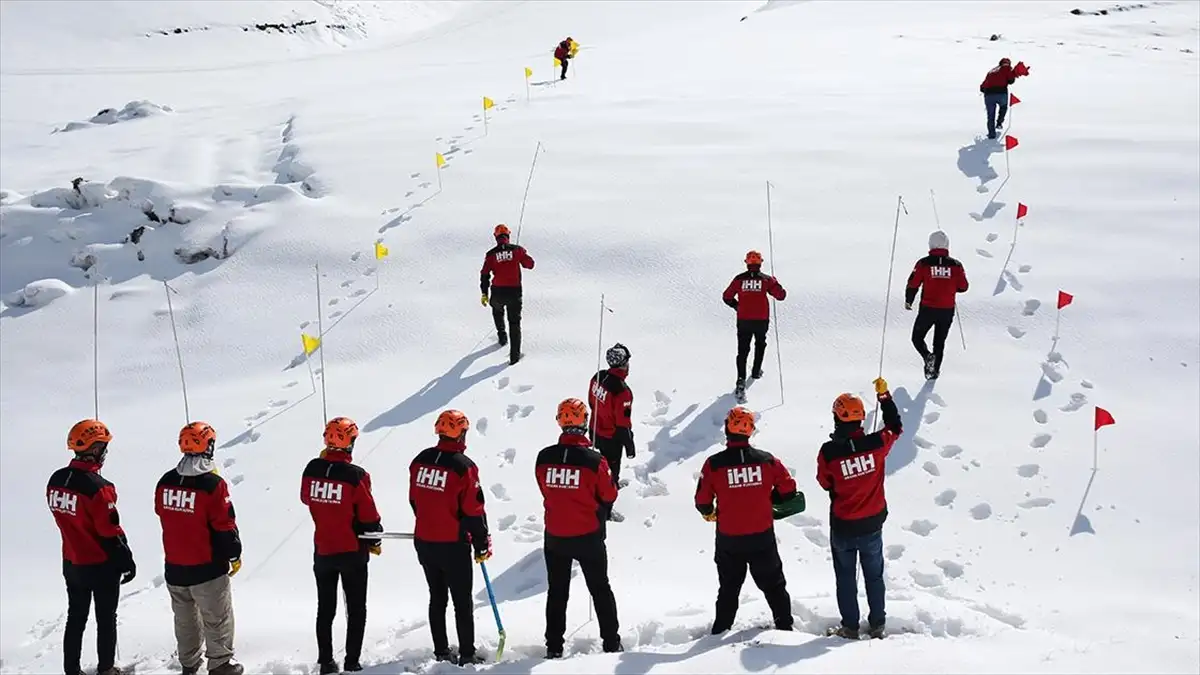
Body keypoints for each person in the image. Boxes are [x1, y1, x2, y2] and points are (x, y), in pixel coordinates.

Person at [694, 407, 796, 635]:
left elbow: (702, 501)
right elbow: (789, 489)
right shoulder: (767, 461)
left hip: (729, 538)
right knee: (774, 586)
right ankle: (785, 628)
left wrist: (709, 511)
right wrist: (772, 497)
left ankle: (720, 632)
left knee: (729, 588)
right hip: (761, 535)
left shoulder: (714, 464)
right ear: (750, 431)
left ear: (727, 429)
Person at [47, 419, 137, 675]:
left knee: (75, 618)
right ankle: (106, 668)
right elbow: (110, 530)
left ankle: (71, 670)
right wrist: (126, 560)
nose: (105, 452)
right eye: (104, 447)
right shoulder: (99, 488)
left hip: (71, 561)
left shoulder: (56, 480)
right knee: (106, 619)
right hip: (100, 564)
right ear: (95, 449)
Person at [535, 399, 623, 658]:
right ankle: (610, 642)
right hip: (588, 534)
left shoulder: (544, 457)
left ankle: (553, 647)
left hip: (555, 535)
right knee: (600, 588)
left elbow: (544, 488)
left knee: (557, 591)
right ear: (584, 423)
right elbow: (608, 494)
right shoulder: (595, 460)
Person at [816, 379, 903, 640]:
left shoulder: (829, 453)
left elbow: (824, 482)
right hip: (872, 525)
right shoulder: (877, 444)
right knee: (874, 576)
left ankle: (850, 627)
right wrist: (885, 397)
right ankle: (878, 624)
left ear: (837, 419)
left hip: (843, 526)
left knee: (845, 578)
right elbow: (895, 427)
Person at [155, 422, 244, 675]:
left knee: (185, 621)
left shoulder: (166, 481)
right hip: (207, 566)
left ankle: (189, 664)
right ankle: (220, 664)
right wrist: (234, 553)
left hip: (174, 566)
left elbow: (160, 510)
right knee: (217, 618)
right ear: (209, 445)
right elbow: (224, 524)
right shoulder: (212, 484)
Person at [300, 417, 383, 675]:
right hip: (351, 551)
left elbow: (305, 497)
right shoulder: (356, 476)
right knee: (356, 607)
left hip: (323, 550)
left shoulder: (312, 468)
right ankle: (352, 661)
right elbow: (368, 515)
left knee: (325, 609)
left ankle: (325, 660)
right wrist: (375, 537)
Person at [409, 410, 491, 666]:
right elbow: (473, 510)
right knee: (461, 601)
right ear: (462, 433)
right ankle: (467, 654)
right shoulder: (463, 467)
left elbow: (414, 499)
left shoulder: (420, 460)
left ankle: (441, 650)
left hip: (424, 539)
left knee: (437, 596)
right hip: (452, 543)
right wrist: (481, 542)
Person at [722, 250, 787, 400]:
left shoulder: (739, 279)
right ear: (760, 263)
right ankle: (756, 371)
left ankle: (740, 380)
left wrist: (737, 306)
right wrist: (775, 282)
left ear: (746, 263)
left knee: (742, 350)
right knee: (760, 343)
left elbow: (726, 297)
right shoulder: (766, 280)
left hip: (743, 319)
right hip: (761, 319)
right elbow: (781, 296)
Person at [905, 230, 969, 380]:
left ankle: (927, 357)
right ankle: (933, 374)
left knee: (917, 338)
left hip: (927, 309)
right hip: (947, 311)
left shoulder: (924, 263)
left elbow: (913, 283)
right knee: (939, 343)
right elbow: (964, 286)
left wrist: (909, 299)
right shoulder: (956, 265)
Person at [480, 223, 535, 365]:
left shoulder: (491, 255)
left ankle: (502, 336)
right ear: (508, 236)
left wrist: (484, 293)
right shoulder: (517, 250)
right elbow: (530, 264)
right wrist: (522, 254)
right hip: (514, 292)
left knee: (497, 312)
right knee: (514, 324)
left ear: (496, 238)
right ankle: (514, 357)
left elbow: (484, 274)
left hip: (497, 292)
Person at [587, 343, 635, 491]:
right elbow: (623, 424)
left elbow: (591, 402)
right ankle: (607, 504)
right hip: (611, 439)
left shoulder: (598, 376)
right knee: (610, 472)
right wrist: (629, 446)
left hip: (594, 430)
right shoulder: (622, 392)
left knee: (596, 467)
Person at [979, 57, 1029, 139]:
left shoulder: (991, 71)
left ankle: (991, 134)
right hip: (1001, 93)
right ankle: (999, 123)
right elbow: (1010, 81)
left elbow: (982, 86)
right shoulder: (1007, 68)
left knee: (990, 115)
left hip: (988, 95)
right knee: (1003, 107)